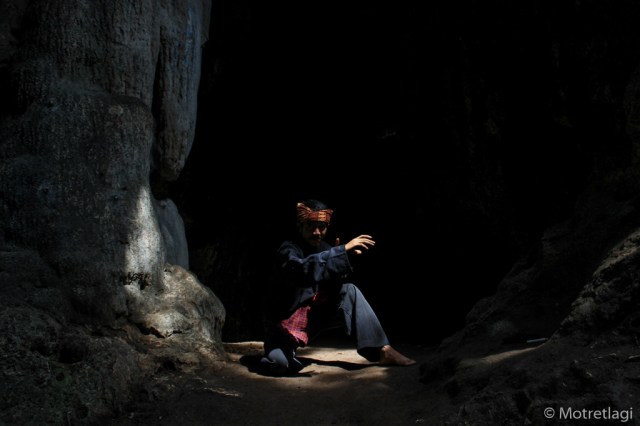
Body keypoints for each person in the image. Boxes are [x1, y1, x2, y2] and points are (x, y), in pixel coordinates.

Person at [259, 199, 416, 376]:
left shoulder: (324, 248)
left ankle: (383, 350)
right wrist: (340, 252)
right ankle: (284, 352)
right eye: (310, 226)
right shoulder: (288, 250)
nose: (317, 232)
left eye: (322, 227)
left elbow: (330, 285)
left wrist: (341, 260)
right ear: (299, 226)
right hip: (283, 328)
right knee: (277, 364)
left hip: (311, 320)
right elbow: (303, 271)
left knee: (349, 291)